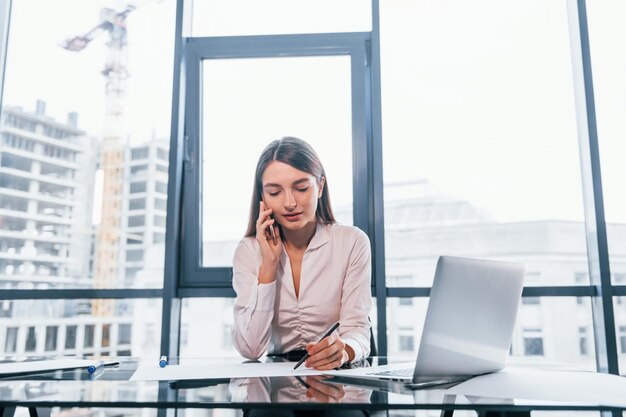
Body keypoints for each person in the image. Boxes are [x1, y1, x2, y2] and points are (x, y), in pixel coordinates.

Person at [232, 136, 372, 370]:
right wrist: (268, 264)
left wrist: (344, 351)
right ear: (262, 198)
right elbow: (251, 349)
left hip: (335, 371)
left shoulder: (352, 242)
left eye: (301, 188)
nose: (289, 203)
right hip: (275, 376)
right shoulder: (248, 251)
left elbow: (358, 329)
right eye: (275, 192)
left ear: (320, 187)